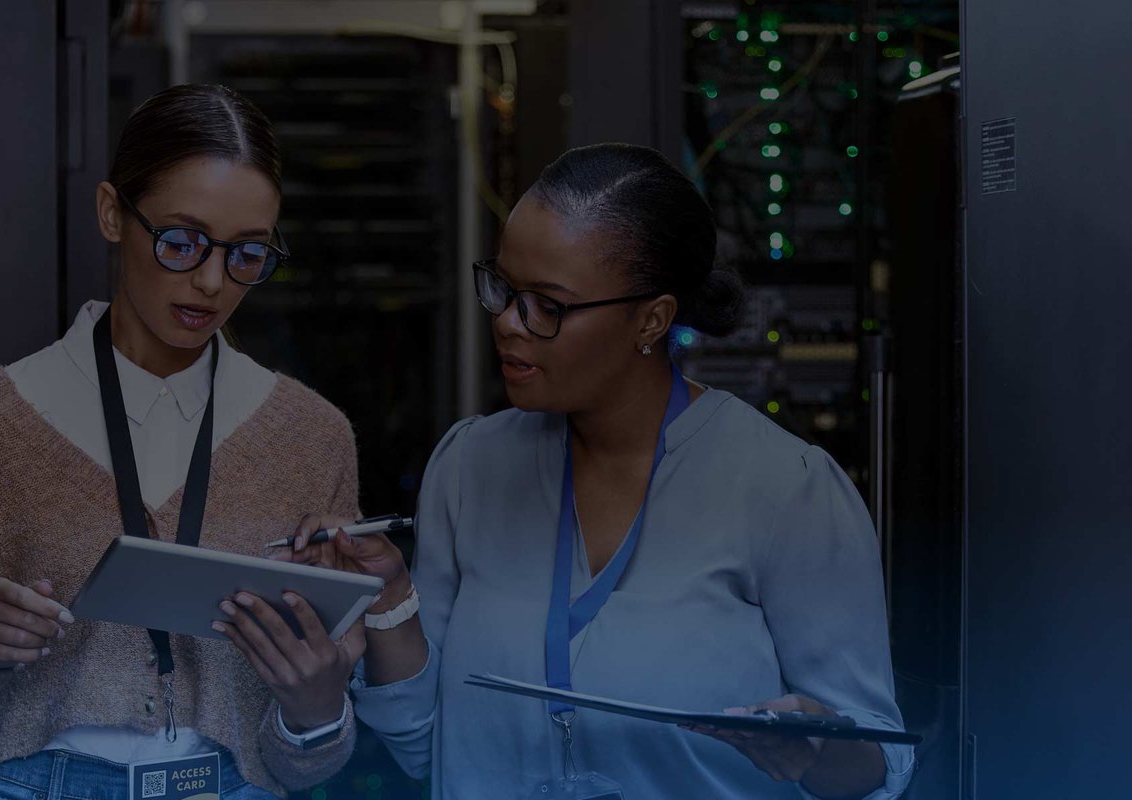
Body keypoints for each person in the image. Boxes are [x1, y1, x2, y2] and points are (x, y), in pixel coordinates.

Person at [283, 143, 912, 799]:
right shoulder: (469, 465)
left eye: (547, 305)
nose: (507, 322)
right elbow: (423, 745)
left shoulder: (789, 489)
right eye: (502, 288)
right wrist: (388, 599)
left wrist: (815, 750)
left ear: (651, 319)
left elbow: (876, 773)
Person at [0, 84, 367, 800]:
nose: (213, 281)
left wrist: (317, 708)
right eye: (181, 241)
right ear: (111, 213)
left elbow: (305, 763)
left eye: (248, 252)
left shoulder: (311, 438)